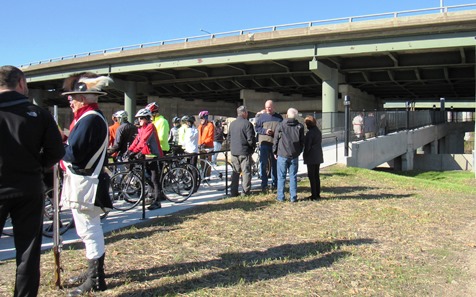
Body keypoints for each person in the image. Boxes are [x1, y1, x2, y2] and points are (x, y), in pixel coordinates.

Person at [0, 65, 64, 297]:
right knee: (28, 251)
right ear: (20, 83)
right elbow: (56, 151)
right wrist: (37, 165)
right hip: (28, 187)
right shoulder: (39, 113)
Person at [60, 72, 114, 296]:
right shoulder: (89, 118)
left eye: (73, 96)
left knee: (89, 231)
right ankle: (93, 271)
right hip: (85, 182)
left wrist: (56, 144)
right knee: (87, 230)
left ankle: (96, 278)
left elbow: (74, 154)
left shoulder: (90, 118)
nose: (70, 100)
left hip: (86, 183)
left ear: (83, 97)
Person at [126, 108, 164, 210]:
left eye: (141, 118)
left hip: (154, 155)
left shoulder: (150, 126)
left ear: (147, 118)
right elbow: (137, 140)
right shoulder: (142, 128)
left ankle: (157, 201)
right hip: (147, 156)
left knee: (154, 179)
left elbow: (144, 141)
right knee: (147, 177)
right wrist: (129, 150)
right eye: (139, 118)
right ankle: (155, 195)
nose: (139, 120)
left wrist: (134, 152)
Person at [273, 108, 304, 202]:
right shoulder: (300, 126)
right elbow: (302, 141)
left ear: (286, 114)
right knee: (293, 176)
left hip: (282, 153)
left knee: (281, 176)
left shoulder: (281, 125)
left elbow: (276, 140)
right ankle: (293, 197)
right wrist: (299, 152)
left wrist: (275, 151)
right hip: (294, 154)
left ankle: (280, 197)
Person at [255, 100, 283, 193]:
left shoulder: (279, 117)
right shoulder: (261, 117)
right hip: (264, 144)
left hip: (275, 145)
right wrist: (265, 131)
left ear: (273, 106)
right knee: (264, 164)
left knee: (275, 165)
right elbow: (257, 128)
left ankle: (275, 184)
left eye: (269, 107)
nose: (268, 109)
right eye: (266, 108)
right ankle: (264, 185)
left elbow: (283, 129)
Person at [228, 106, 256, 197]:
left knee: (235, 172)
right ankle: (245, 192)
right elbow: (251, 139)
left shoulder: (232, 124)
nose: (247, 114)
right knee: (246, 172)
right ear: (244, 113)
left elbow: (229, 138)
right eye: (247, 112)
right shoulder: (247, 124)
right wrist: (252, 148)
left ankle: (233, 191)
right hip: (244, 151)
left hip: (234, 151)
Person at [303, 115, 324, 201]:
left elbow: (308, 146)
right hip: (318, 155)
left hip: (311, 156)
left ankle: (314, 194)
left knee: (311, 176)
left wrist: (304, 154)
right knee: (316, 175)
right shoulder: (318, 131)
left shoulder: (309, 133)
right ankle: (317, 193)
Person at [198, 110, 214, 177]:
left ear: (206, 117)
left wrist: (204, 143)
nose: (201, 120)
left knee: (207, 163)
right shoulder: (200, 126)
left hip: (208, 146)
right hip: (201, 146)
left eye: (202, 118)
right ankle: (203, 175)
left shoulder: (210, 125)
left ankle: (207, 176)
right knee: (202, 162)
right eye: (200, 118)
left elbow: (210, 137)